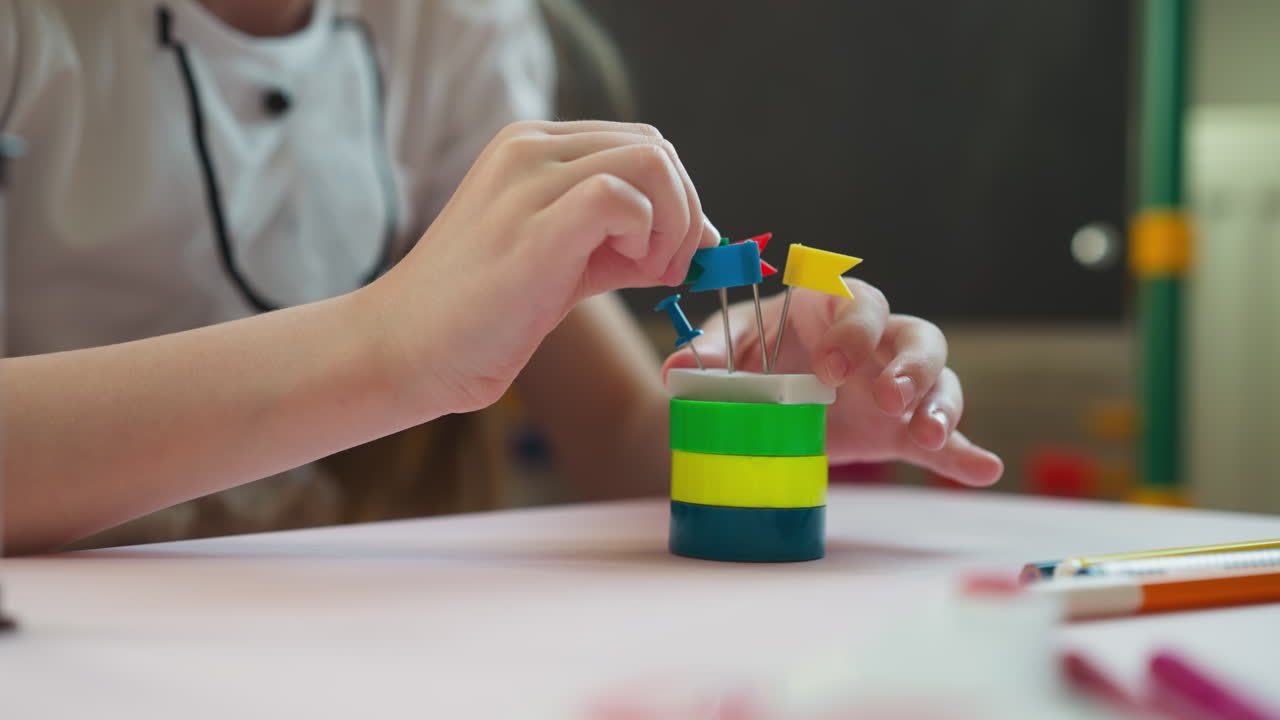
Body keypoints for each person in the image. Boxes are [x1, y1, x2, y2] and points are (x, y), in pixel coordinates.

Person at [0, 0, 1002, 556]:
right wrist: (386, 350)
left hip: (321, 624)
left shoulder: (447, 30)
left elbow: (616, 437)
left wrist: (745, 410)